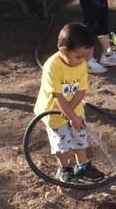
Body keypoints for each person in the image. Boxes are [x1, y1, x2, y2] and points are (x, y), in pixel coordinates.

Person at [33, 22, 106, 183]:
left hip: (75, 110)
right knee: (62, 143)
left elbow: (81, 90)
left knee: (80, 138)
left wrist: (72, 114)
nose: (82, 61)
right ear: (63, 50)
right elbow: (57, 96)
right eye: (78, 57)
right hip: (53, 113)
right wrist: (69, 115)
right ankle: (64, 169)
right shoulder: (52, 66)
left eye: (86, 57)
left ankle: (82, 166)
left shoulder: (80, 64)